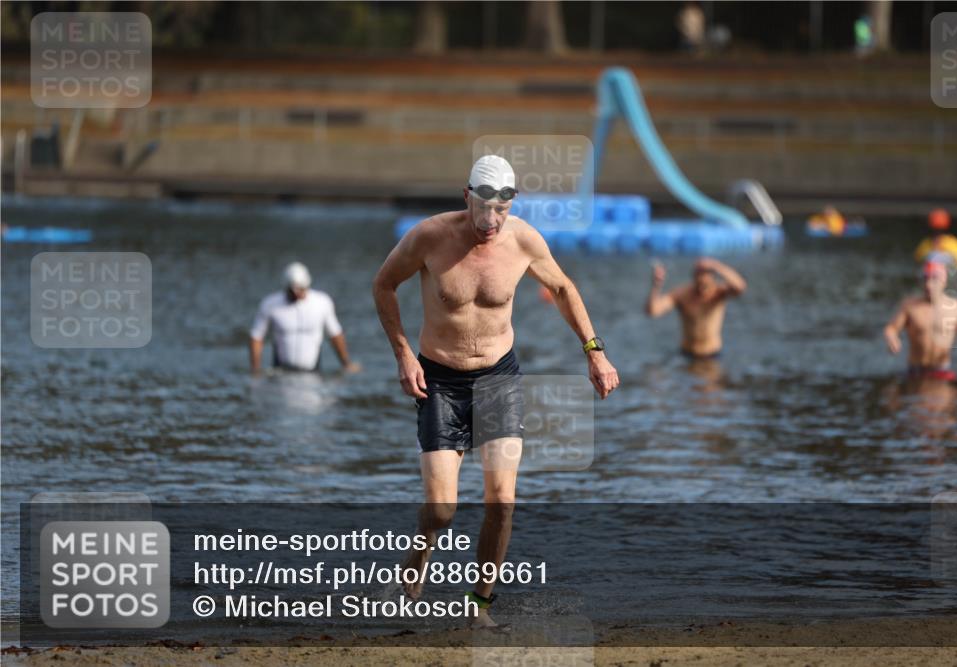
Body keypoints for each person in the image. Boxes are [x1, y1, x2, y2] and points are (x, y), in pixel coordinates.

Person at [372, 155, 619, 626]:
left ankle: (479, 606)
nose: (489, 221)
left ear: (512, 203)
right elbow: (383, 285)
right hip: (440, 381)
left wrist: (594, 351)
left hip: (498, 380)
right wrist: (403, 355)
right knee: (441, 511)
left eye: (500, 211)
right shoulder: (429, 236)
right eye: (482, 208)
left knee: (502, 500)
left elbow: (562, 288)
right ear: (466, 196)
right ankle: (421, 551)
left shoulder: (524, 240)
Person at [249, 262, 360, 373]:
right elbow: (256, 337)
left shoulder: (322, 303)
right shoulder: (270, 304)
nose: (296, 293)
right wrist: (255, 369)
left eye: (300, 289)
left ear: (306, 285)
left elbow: (335, 334)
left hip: (312, 373)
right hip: (280, 373)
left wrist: (346, 364)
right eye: (292, 290)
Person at [884, 260, 957, 380]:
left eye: (934, 279)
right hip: (915, 371)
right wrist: (892, 338)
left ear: (944, 282)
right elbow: (891, 328)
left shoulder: (955, 307)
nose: (928, 285)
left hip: (942, 370)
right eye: (926, 279)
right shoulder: (910, 306)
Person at [645, 257, 746, 359]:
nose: (701, 286)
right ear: (694, 277)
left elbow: (740, 286)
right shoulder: (682, 295)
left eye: (705, 283)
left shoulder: (719, 293)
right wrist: (656, 285)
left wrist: (716, 265)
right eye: (698, 276)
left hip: (711, 354)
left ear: (712, 277)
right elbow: (652, 311)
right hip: (687, 354)